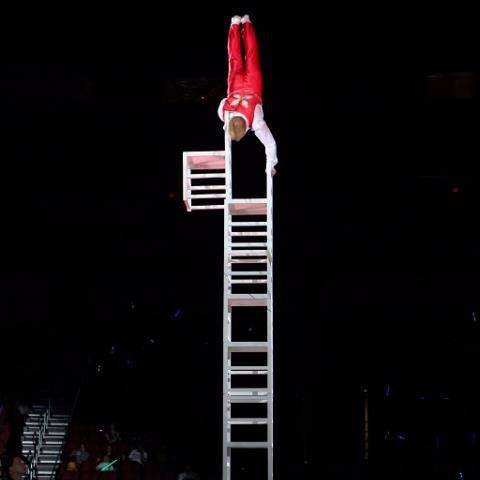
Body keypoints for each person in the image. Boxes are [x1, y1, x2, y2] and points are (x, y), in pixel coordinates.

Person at [217, 14, 278, 175]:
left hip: (253, 84)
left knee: (252, 54)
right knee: (234, 58)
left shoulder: (256, 122)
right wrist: (226, 122)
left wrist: (270, 166)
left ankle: (247, 23)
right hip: (235, 85)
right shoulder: (224, 114)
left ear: (246, 130)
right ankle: (236, 24)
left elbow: (270, 144)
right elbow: (223, 101)